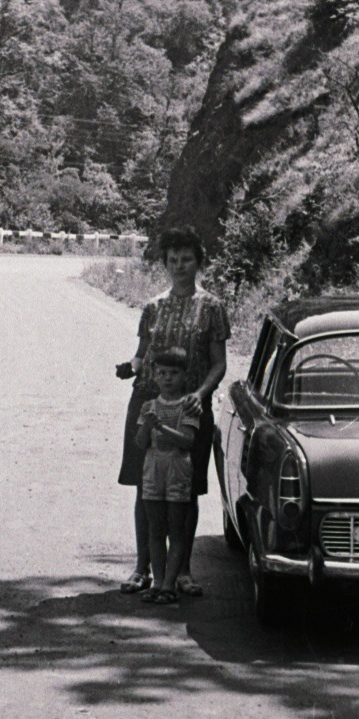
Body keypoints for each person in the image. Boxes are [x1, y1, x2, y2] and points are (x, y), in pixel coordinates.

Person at [116, 224, 230, 595]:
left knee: (187, 489)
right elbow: (141, 354)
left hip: (190, 408)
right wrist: (130, 367)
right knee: (145, 487)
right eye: (173, 260)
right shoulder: (153, 306)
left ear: (198, 262)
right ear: (164, 264)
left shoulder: (212, 307)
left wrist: (201, 393)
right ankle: (142, 568)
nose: (179, 266)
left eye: (186, 259)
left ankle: (182, 571)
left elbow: (219, 363)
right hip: (149, 401)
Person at [134, 346, 200, 605]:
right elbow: (141, 443)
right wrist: (148, 427)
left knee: (176, 529)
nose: (167, 378)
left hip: (177, 470)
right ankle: (158, 581)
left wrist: (161, 427)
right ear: (154, 376)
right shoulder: (149, 406)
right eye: (162, 373)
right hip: (153, 469)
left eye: (173, 373)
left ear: (184, 376)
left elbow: (187, 441)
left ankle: (170, 584)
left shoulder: (189, 406)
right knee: (155, 528)